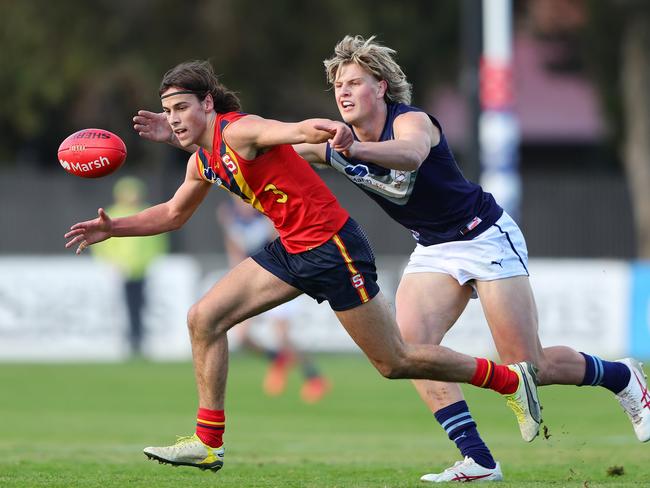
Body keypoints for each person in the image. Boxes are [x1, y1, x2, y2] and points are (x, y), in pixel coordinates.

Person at [65, 59, 541, 475]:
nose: (174, 119)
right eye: (168, 111)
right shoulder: (203, 161)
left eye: (181, 108)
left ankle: (508, 380)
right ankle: (208, 444)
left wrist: (327, 131)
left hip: (335, 248)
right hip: (292, 249)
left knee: (395, 361)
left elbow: (291, 130)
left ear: (207, 104)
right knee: (203, 318)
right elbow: (172, 214)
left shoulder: (239, 130)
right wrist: (114, 228)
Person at [291, 35, 650, 482]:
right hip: (433, 249)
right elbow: (276, 149)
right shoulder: (335, 140)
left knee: (527, 366)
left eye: (354, 82)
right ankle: (478, 459)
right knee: (408, 352)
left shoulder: (411, 122)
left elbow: (410, 155)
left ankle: (621, 377)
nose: (343, 92)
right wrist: (217, 146)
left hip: (484, 237)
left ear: (380, 87)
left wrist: (349, 151)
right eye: (338, 85)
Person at [216, 197, 330, 403]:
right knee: (241, 337)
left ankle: (314, 377)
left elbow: (280, 242)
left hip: (279, 277)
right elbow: (234, 249)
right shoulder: (227, 214)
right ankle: (277, 359)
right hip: (251, 281)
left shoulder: (267, 212)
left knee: (283, 337)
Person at [91, 176, 169, 356]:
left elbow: (157, 242)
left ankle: (139, 340)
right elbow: (103, 247)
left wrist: (151, 262)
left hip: (142, 271)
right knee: (122, 308)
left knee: (141, 307)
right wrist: (111, 264)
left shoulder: (147, 212)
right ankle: (127, 341)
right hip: (120, 272)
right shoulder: (113, 213)